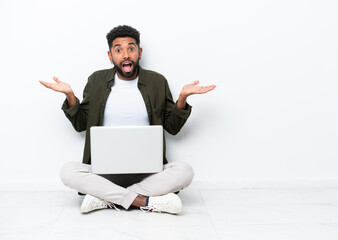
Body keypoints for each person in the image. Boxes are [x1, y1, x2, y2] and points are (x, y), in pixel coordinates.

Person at [39, 25, 215, 214]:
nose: (126, 55)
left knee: (185, 171)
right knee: (68, 171)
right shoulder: (96, 81)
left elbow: (172, 127)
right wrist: (70, 96)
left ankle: (106, 198)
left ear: (139, 52)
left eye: (131, 48)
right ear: (110, 56)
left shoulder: (157, 81)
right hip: (105, 174)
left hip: (148, 174)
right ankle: (144, 201)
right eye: (118, 50)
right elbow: (81, 125)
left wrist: (182, 99)